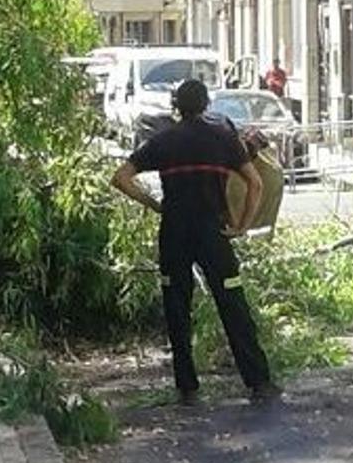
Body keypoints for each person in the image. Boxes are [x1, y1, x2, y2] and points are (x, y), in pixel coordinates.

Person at [110, 80, 281, 405]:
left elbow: (120, 178)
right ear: (206, 104)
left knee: (177, 306)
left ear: (176, 106)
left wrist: (155, 204)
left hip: (174, 232)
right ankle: (258, 382)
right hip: (212, 232)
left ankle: (187, 387)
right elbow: (255, 183)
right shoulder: (223, 139)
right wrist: (241, 225)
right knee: (232, 302)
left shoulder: (163, 141)